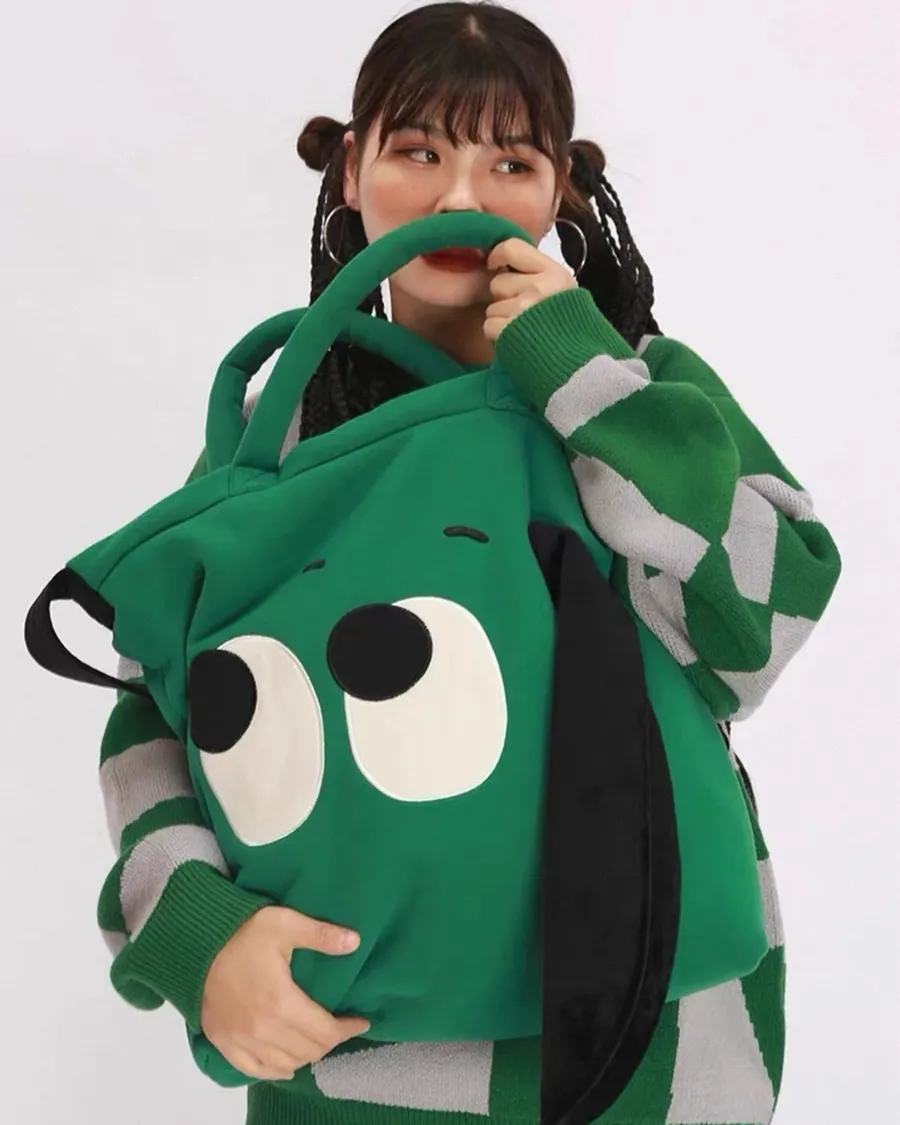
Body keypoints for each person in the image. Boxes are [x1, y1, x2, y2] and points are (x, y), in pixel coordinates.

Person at [95, 4, 841, 1124]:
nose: (460, 198)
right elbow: (160, 704)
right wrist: (202, 937)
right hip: (349, 1057)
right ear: (351, 168)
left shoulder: (640, 389)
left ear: (562, 193)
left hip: (648, 1039)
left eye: (510, 161)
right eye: (418, 151)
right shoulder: (280, 435)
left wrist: (582, 380)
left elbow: (756, 636)